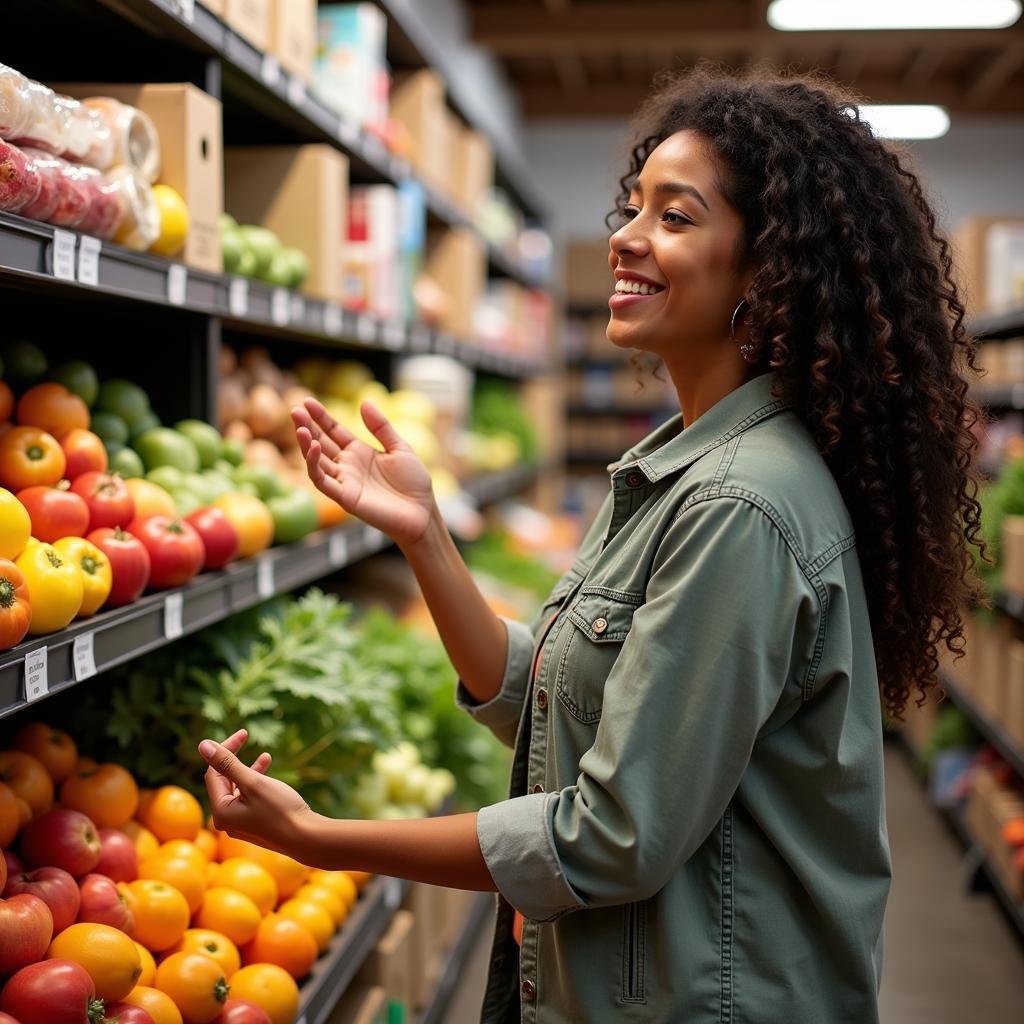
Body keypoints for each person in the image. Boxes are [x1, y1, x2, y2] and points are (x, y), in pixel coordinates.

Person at [199, 64, 988, 1024]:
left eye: (676, 216)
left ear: (770, 269)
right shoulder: (681, 467)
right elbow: (559, 695)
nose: (624, 235)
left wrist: (330, 840)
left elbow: (614, 834)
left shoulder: (738, 503)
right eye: (633, 206)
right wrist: (426, 537)